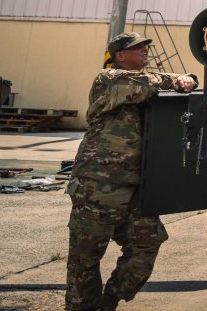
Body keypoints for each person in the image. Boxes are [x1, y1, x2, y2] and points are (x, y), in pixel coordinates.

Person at [66, 32, 198, 311]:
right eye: (136, 48)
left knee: (149, 240)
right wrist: (177, 79)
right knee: (85, 257)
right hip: (98, 184)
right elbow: (146, 83)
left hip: (134, 185)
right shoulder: (109, 79)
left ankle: (111, 298)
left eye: (144, 47)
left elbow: (160, 81)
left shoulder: (139, 80)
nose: (144, 51)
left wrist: (188, 77)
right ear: (120, 56)